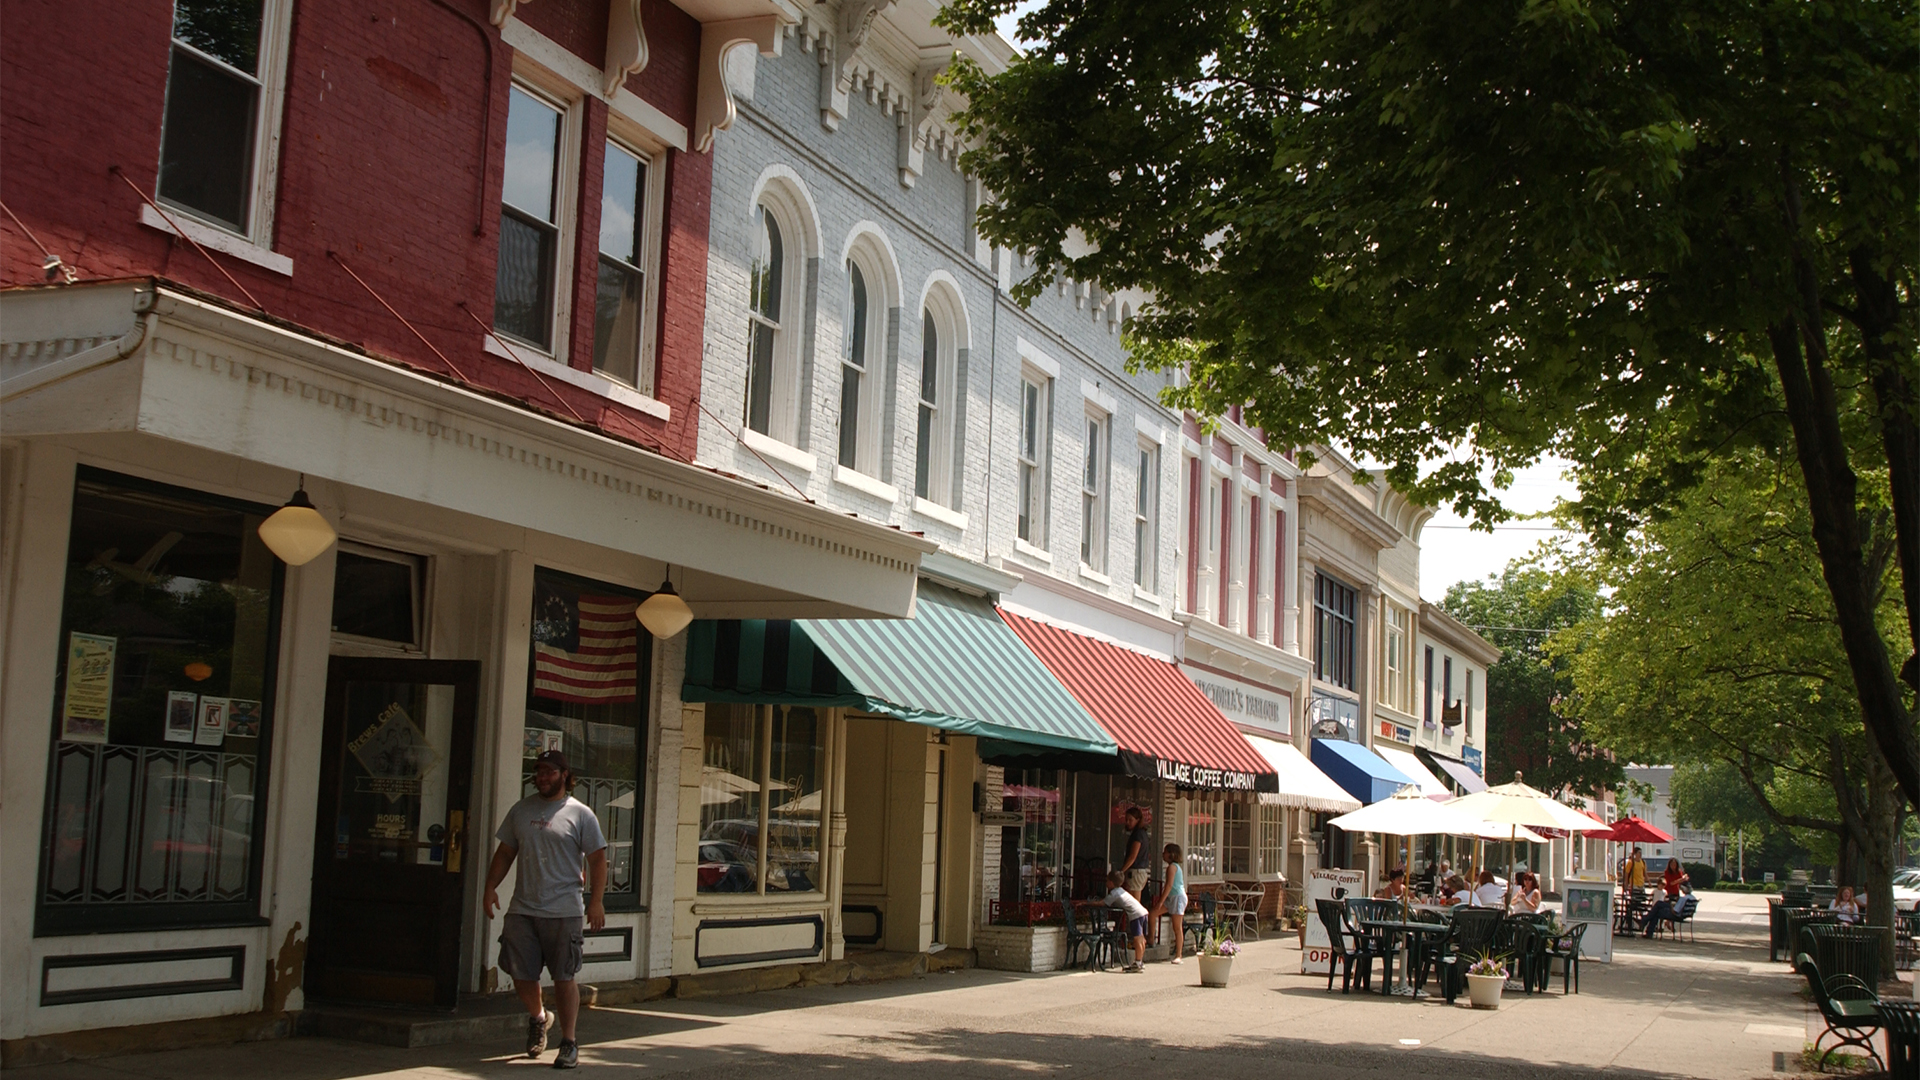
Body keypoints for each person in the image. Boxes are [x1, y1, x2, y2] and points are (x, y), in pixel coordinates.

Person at [485, 751, 608, 1071]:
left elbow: (597, 860)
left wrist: (595, 901)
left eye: (550, 772)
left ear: (565, 775)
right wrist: (490, 887)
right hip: (522, 907)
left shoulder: (581, 814)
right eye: (539, 772)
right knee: (519, 973)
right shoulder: (521, 810)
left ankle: (568, 1042)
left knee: (564, 976)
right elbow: (505, 852)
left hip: (564, 909)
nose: (542, 777)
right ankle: (540, 1018)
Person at [1148, 844, 1188, 965]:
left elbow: (1169, 886)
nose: (1162, 854)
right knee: (1152, 914)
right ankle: (1151, 939)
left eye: (1165, 852)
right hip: (1171, 898)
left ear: (1171, 854)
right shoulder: (1172, 867)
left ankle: (1179, 955)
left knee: (1177, 927)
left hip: (1177, 898)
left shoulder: (1172, 867)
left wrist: (1160, 901)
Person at [1104, 870, 1150, 972]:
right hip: (1143, 912)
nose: (1106, 883)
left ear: (1111, 882)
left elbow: (1104, 903)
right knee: (1142, 939)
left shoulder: (1114, 893)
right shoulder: (1122, 891)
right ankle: (1140, 962)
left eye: (1107, 881)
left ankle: (1137, 963)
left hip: (1135, 915)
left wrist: (1085, 903)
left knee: (1137, 939)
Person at [1117, 806, 1151, 900]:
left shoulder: (1138, 835)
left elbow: (1132, 856)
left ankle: (1136, 915)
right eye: (1126, 819)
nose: (1127, 822)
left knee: (1133, 902)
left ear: (1138, 820)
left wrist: (1121, 871)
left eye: (1130, 820)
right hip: (1141, 871)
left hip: (1135, 872)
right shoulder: (1142, 833)